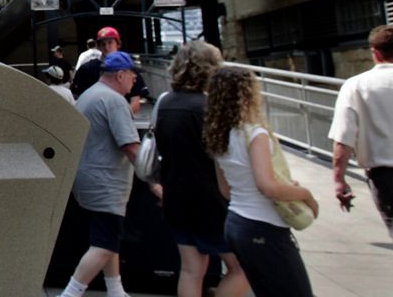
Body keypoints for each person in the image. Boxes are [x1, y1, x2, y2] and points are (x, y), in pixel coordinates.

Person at [204, 66, 318, 297]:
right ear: (248, 94)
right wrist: (305, 194)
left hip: (236, 224)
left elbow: (225, 189)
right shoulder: (255, 134)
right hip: (263, 226)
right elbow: (267, 186)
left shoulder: (219, 136)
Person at [153, 42, 248, 297]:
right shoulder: (209, 108)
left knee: (191, 270)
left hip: (176, 197)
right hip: (211, 201)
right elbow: (224, 158)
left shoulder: (164, 103)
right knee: (242, 268)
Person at [59, 52, 141, 297]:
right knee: (104, 244)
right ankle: (70, 294)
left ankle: (115, 289)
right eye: (133, 76)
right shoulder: (114, 101)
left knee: (107, 239)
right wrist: (154, 180)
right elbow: (131, 146)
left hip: (87, 179)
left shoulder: (89, 94)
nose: (134, 82)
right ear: (121, 75)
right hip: (107, 183)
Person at [329, 24, 393, 238]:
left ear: (374, 52)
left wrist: (339, 179)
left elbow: (343, 139)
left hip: (386, 177)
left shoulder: (355, 86)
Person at [71, 26, 119, 98]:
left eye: (110, 42)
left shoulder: (127, 67)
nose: (106, 47)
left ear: (118, 44)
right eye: (103, 44)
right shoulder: (86, 68)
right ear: (98, 46)